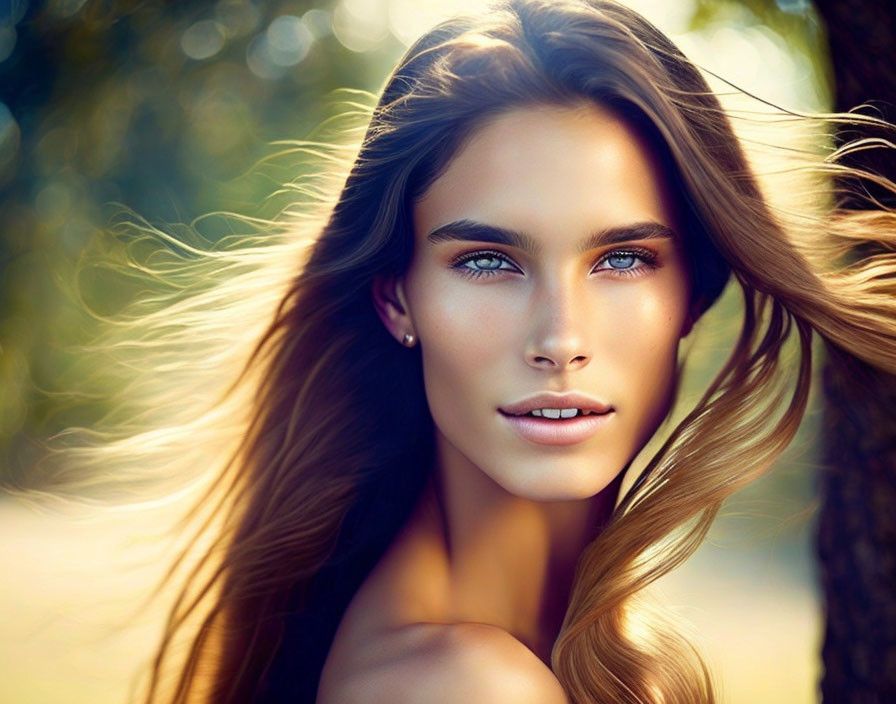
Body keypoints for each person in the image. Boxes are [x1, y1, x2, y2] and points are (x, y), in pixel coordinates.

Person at [88, 0, 894, 702]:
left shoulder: (573, 651)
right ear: (397, 296)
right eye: (488, 261)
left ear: (692, 290)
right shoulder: (463, 684)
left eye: (622, 259)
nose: (560, 340)